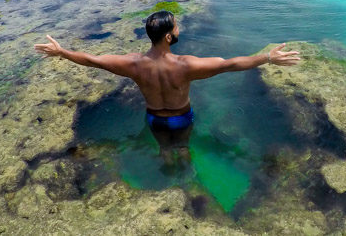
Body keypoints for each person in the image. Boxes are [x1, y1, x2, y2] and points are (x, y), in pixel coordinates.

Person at [34, 11, 300, 165]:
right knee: (183, 147)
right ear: (169, 36)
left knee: (163, 149)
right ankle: (185, 171)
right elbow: (229, 64)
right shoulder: (185, 65)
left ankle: (168, 170)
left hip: (154, 119)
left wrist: (62, 52)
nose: (178, 27)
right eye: (176, 25)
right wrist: (267, 57)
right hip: (181, 118)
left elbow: (93, 60)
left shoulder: (134, 64)